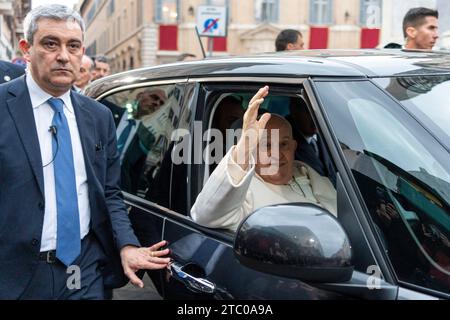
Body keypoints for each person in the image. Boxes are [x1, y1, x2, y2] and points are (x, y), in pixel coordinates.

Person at [0, 4, 170, 300]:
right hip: (16, 275)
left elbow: (109, 192)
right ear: (27, 49)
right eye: (51, 43)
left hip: (85, 269)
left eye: (73, 45)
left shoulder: (99, 116)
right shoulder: (4, 106)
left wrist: (126, 245)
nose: (63, 55)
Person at [191, 86, 336, 231]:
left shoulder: (307, 172)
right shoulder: (243, 193)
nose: (277, 154)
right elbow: (206, 216)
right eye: (267, 145)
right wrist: (245, 144)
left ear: (293, 147)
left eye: (284, 144)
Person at [286, 97, 336, 185]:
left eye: (320, 112)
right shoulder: (281, 139)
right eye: (309, 112)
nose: (316, 118)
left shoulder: (329, 136)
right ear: (294, 110)